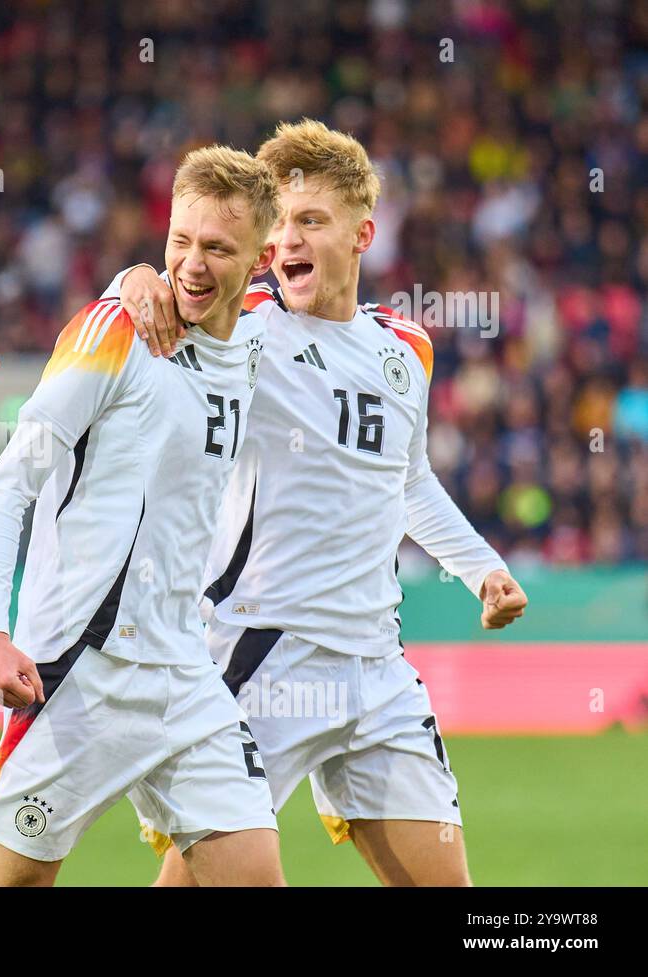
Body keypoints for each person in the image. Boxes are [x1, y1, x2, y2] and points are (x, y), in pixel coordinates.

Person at [103, 119, 527, 886]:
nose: (286, 240)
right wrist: (133, 279)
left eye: (310, 220)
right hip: (266, 653)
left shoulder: (407, 349)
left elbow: (408, 482)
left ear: (362, 233)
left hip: (378, 667)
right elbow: (161, 298)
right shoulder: (245, 327)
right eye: (278, 224)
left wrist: (482, 569)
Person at [0, 145, 285, 886]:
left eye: (217, 249)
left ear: (260, 259)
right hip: (80, 668)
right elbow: (9, 483)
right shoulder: (118, 331)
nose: (191, 265)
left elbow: (320, 295)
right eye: (179, 242)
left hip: (184, 670)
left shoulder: (261, 334)